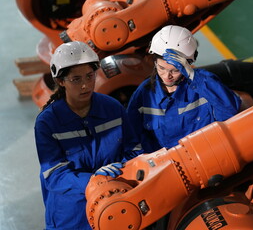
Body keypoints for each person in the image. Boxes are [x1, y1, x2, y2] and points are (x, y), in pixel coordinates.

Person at [34, 41, 138, 230]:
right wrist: (93, 181)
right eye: (76, 79)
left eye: (90, 76)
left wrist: (122, 169)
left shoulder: (113, 109)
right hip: (71, 216)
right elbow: (54, 175)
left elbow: (134, 150)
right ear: (60, 81)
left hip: (114, 204)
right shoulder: (48, 123)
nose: (85, 85)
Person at [126, 25, 242, 154]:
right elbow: (131, 135)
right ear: (154, 62)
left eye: (175, 70)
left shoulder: (204, 84)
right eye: (161, 68)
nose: (167, 76)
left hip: (206, 157)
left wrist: (193, 76)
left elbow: (229, 112)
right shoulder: (145, 93)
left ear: (187, 64)